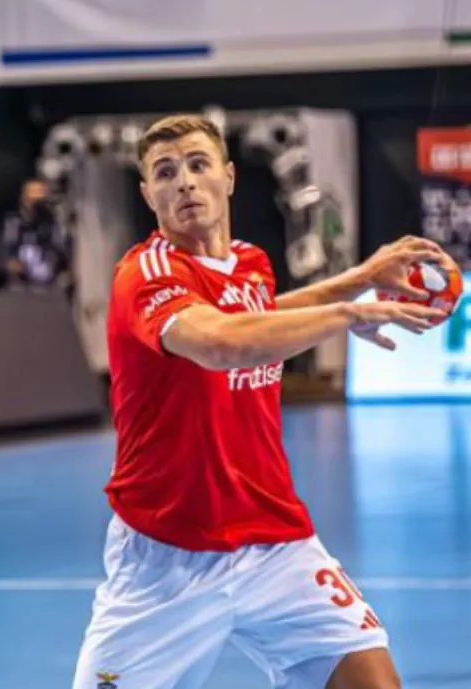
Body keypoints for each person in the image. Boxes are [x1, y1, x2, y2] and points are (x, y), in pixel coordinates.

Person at [73, 114, 452, 689]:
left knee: (372, 680)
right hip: (167, 556)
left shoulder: (248, 264)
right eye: (166, 173)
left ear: (228, 178)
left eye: (198, 166)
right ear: (148, 194)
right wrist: (349, 313)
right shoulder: (145, 276)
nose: (185, 183)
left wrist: (360, 278)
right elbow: (221, 343)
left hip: (275, 543)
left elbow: (258, 313)